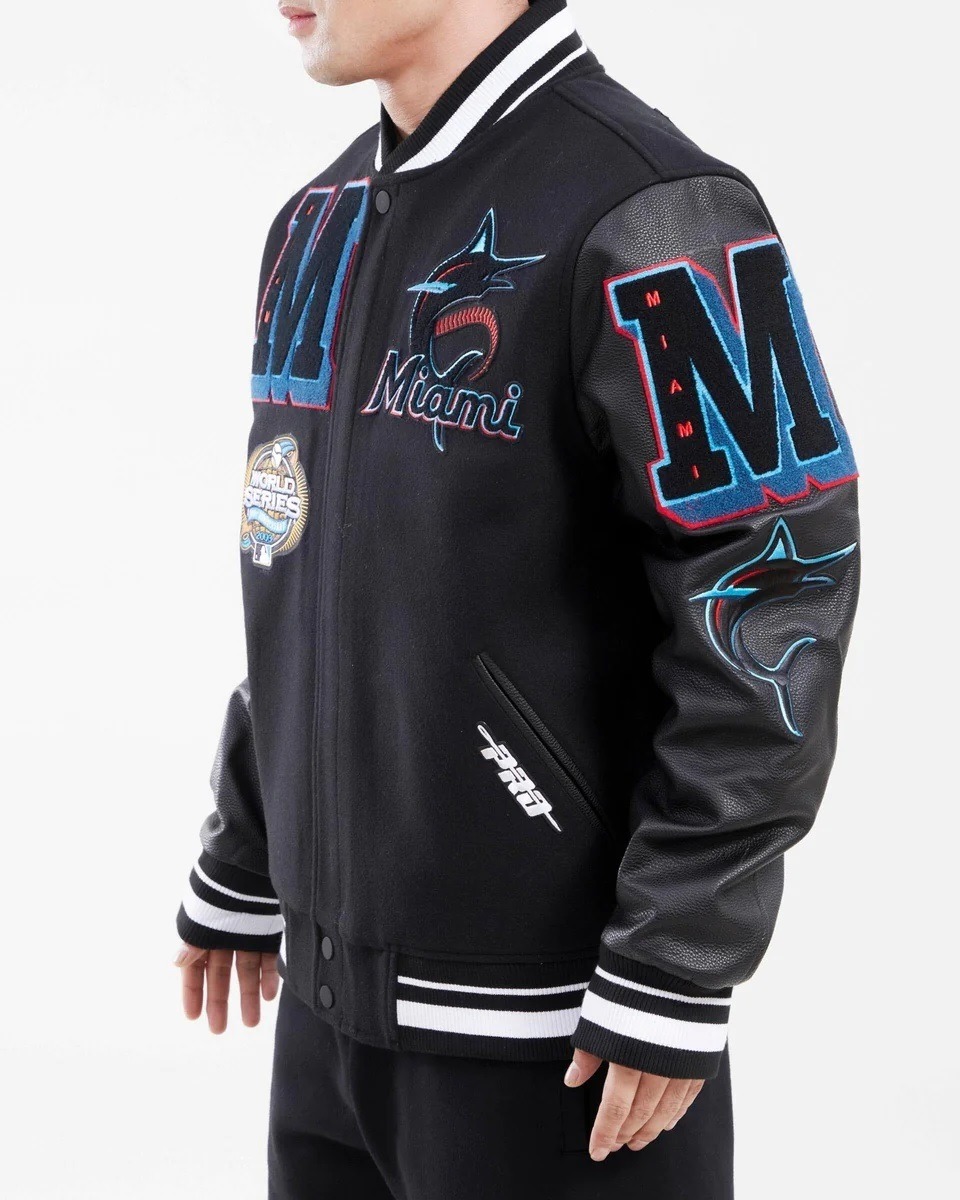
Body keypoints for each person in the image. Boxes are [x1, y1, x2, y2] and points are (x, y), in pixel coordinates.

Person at [173, 1, 860, 1196]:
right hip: (326, 1026)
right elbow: (297, 565)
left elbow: (777, 588)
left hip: (567, 1042)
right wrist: (251, 842)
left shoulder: (654, 213)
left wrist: (678, 954)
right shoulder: (315, 224)